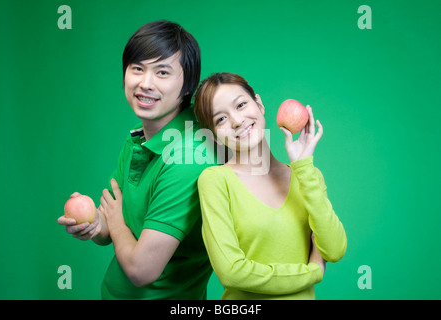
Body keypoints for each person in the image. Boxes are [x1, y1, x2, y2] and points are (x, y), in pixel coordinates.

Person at [57, 20, 216, 299]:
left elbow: (142, 269)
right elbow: (112, 222)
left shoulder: (188, 156)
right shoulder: (141, 138)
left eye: (162, 72)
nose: (145, 84)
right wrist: (94, 224)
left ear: (187, 84)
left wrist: (114, 223)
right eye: (137, 69)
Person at [193, 72, 347, 300]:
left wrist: (303, 166)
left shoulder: (307, 175)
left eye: (241, 105)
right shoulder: (215, 180)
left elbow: (334, 249)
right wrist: (312, 272)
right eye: (221, 119)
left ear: (260, 104)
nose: (236, 120)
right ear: (213, 135)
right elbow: (232, 273)